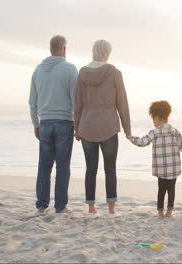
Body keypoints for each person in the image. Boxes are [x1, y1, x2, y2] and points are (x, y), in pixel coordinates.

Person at [74, 39, 131, 218]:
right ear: (108, 53)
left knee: (90, 169)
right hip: (108, 126)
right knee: (110, 169)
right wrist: (128, 129)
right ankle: (111, 210)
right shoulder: (114, 73)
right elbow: (122, 103)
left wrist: (77, 128)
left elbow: (78, 104)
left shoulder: (82, 73)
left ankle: (91, 209)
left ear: (93, 52)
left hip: (87, 125)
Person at [29, 35, 78, 215]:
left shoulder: (38, 70)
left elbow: (32, 101)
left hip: (45, 123)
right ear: (64, 49)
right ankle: (60, 206)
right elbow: (76, 100)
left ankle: (41, 206)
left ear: (51, 49)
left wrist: (36, 123)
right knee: (63, 165)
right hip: (65, 122)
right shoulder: (70, 69)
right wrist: (78, 124)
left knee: (44, 165)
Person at [128, 101, 182, 218]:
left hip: (161, 170)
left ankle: (160, 212)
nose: (153, 122)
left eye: (153, 119)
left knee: (161, 190)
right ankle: (169, 212)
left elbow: (143, 142)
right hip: (173, 169)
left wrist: (130, 138)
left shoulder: (155, 132)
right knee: (171, 190)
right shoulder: (175, 131)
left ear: (157, 117)